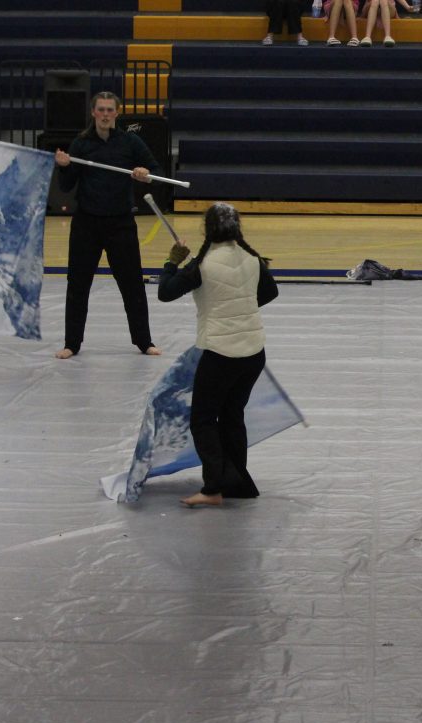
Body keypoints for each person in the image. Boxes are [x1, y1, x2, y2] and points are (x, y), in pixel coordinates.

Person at [157, 203, 279, 507]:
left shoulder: (201, 266)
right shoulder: (252, 259)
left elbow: (165, 292)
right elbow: (270, 292)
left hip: (221, 354)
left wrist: (172, 262)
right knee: (232, 416)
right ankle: (237, 484)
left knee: (202, 419)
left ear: (207, 229)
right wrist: (240, 308)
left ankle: (213, 489)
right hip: (254, 353)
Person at [53, 92, 161, 360]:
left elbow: (155, 171)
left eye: (109, 110)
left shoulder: (130, 142)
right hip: (86, 223)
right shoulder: (81, 144)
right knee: (77, 285)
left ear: (117, 113)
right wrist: (64, 167)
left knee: (132, 285)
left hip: (120, 223)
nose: (104, 114)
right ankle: (72, 343)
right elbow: (66, 186)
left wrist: (145, 174)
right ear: (93, 112)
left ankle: (144, 341)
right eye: (100, 109)